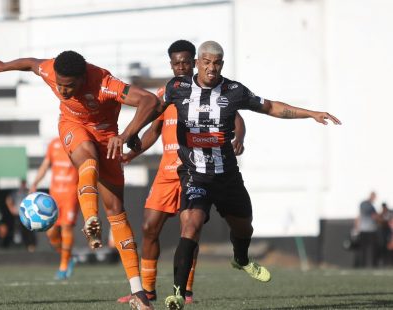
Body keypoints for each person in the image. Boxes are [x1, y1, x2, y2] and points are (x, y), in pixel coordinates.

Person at [131, 40, 341, 309]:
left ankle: (241, 258)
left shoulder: (233, 91)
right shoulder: (177, 88)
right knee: (190, 226)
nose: (211, 68)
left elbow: (271, 107)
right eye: (206, 62)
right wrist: (130, 133)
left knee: (244, 228)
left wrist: (310, 113)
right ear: (197, 63)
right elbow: (153, 109)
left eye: (216, 63)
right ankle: (178, 294)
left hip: (227, 176)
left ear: (222, 65)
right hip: (195, 174)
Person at [0, 50, 160, 310]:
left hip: (108, 137)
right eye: (60, 86)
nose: (63, 92)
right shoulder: (51, 70)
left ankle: (138, 292)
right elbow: (31, 64)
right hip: (72, 126)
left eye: (70, 86)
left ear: (83, 78)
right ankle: (90, 219)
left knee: (116, 211)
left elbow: (150, 101)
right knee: (87, 159)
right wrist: (3, 66)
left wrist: (126, 135)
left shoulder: (103, 83)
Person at [117, 40, 247, 305]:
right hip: (167, 171)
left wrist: (239, 138)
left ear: (195, 62)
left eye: (186, 62)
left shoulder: (209, 92)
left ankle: (186, 291)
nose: (181, 67)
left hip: (196, 169)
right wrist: (133, 151)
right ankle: (148, 290)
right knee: (149, 227)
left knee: (190, 229)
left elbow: (237, 118)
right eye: (176, 63)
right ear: (171, 64)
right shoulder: (168, 92)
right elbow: (153, 129)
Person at [29, 137, 80, 280]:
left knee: (66, 227)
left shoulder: (78, 143)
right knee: (51, 233)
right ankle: (68, 258)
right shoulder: (54, 144)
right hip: (54, 196)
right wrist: (35, 183)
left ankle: (63, 266)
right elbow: (45, 165)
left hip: (71, 194)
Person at [6, 180, 37, 252]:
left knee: (29, 230)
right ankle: (19, 245)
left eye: (24, 183)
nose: (23, 185)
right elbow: (8, 199)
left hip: (27, 214)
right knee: (18, 229)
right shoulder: (15, 192)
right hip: (18, 214)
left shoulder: (28, 192)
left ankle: (30, 245)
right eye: (22, 183)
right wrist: (11, 209)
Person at [356, 191, 380, 268]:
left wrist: (357, 227)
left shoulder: (362, 204)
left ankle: (362, 265)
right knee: (372, 249)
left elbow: (359, 216)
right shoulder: (370, 206)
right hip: (370, 230)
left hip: (363, 229)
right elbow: (374, 216)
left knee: (363, 249)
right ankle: (373, 265)